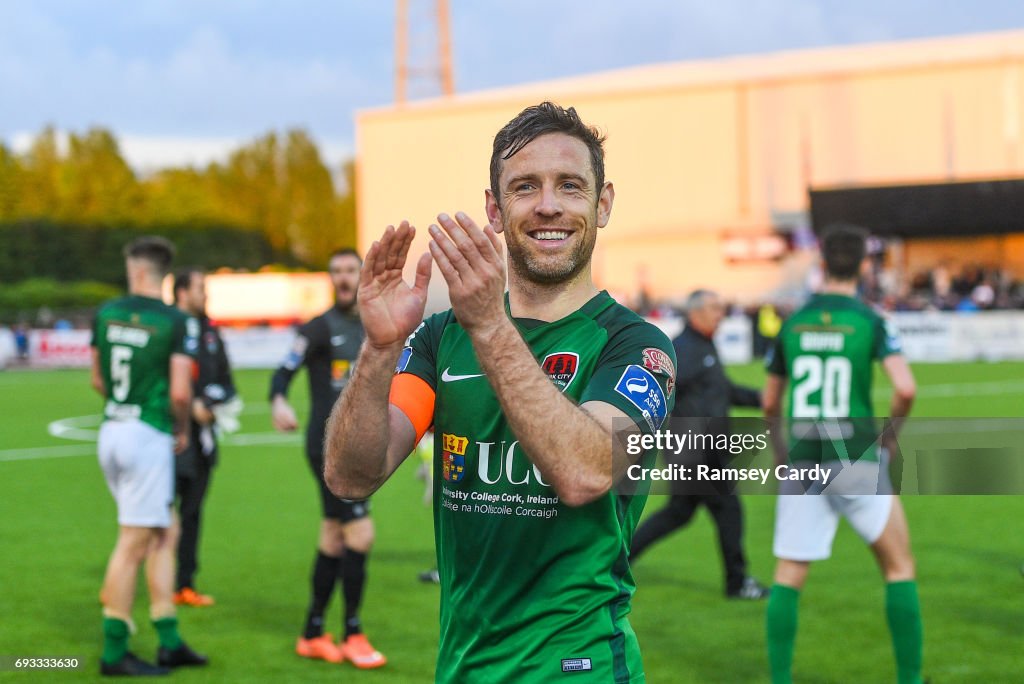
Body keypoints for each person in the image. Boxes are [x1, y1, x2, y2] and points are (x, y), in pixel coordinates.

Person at [323, 102, 676, 682]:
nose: (547, 205)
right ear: (494, 207)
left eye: (570, 185)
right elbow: (351, 474)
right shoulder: (440, 339)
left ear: (602, 203)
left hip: (577, 669)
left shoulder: (635, 345)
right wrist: (381, 346)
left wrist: (490, 326)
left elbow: (585, 472)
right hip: (463, 667)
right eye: (524, 187)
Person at [762, 224, 923, 684]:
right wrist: (889, 440)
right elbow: (906, 389)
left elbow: (771, 402)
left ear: (822, 263)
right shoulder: (870, 321)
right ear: (865, 266)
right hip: (854, 455)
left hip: (803, 459)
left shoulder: (793, 322)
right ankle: (910, 679)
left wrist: (780, 451)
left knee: (790, 572)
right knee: (898, 566)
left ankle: (780, 679)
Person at [90, 236, 208, 676]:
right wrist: (180, 427)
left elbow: (97, 379)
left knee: (166, 532)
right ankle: (114, 653)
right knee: (133, 542)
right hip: (148, 436)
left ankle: (169, 639)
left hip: (113, 430)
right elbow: (180, 391)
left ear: (136, 270)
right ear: (158, 273)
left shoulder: (106, 312)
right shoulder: (175, 321)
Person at [269, 248, 386, 669]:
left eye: (349, 270)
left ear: (361, 274)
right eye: (335, 271)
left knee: (333, 536)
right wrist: (278, 400)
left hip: (360, 445)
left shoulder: (374, 325)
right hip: (328, 448)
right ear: (329, 277)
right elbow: (283, 370)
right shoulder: (318, 328)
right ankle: (353, 632)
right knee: (361, 535)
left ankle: (312, 632)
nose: (342, 278)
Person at [630, 289, 769, 599]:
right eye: (714, 308)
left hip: (703, 451)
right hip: (696, 453)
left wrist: (761, 399)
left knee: (678, 513)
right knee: (729, 510)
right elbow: (659, 394)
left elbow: (721, 390)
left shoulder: (704, 345)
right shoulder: (684, 350)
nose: (720, 314)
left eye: (721, 308)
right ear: (695, 314)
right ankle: (737, 583)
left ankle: (619, 559)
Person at [172, 268, 239, 607]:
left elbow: (228, 383)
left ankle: (184, 583)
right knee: (158, 514)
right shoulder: (168, 327)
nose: (205, 294)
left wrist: (211, 404)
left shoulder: (211, 332)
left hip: (202, 441)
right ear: (182, 292)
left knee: (193, 512)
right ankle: (140, 574)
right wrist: (186, 406)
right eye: (200, 288)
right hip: (168, 438)